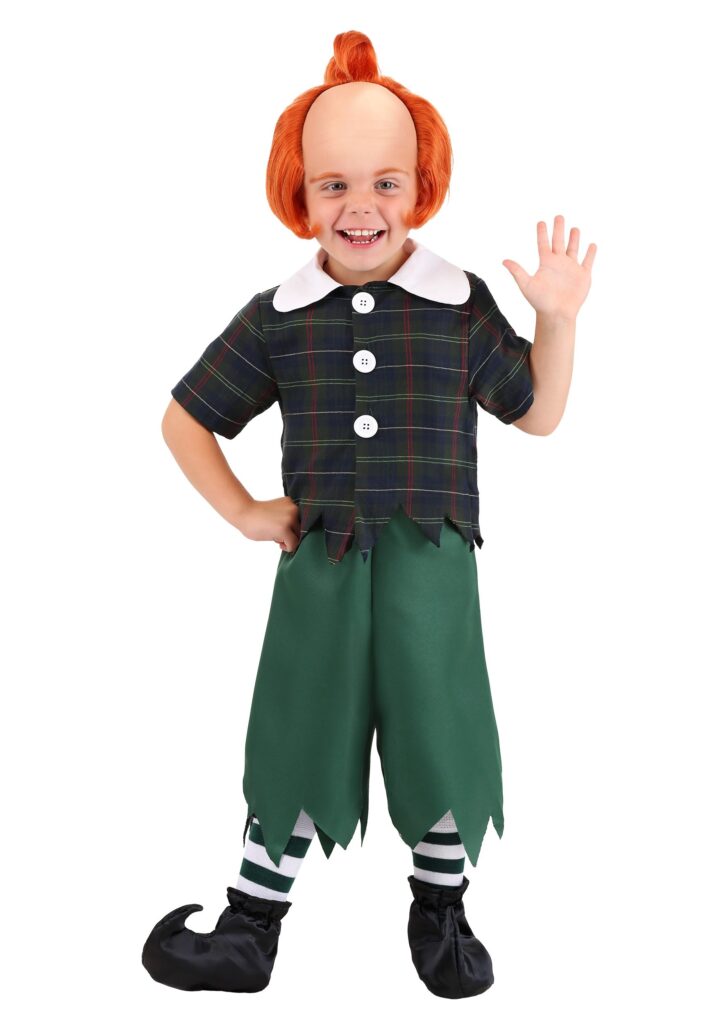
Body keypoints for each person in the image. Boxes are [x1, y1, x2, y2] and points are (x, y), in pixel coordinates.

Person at [141, 29, 596, 1000]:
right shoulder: (278, 317)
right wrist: (246, 510)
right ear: (299, 195)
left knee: (439, 723)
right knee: (300, 721)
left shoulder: (457, 304)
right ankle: (251, 926)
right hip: (322, 565)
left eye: (385, 183)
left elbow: (537, 411)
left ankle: (441, 910)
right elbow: (186, 419)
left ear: (420, 187)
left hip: (432, 561)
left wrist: (556, 320)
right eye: (333, 185)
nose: (360, 207)